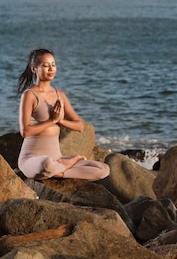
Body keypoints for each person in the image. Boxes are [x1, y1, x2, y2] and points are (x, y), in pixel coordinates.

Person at [16, 48, 110, 180]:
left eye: (53, 65)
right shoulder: (30, 95)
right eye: (45, 65)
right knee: (46, 164)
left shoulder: (60, 95)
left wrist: (61, 120)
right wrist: (52, 121)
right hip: (32, 158)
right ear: (34, 69)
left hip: (57, 159)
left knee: (104, 169)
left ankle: (61, 169)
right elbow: (25, 131)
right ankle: (70, 163)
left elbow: (79, 126)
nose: (51, 69)